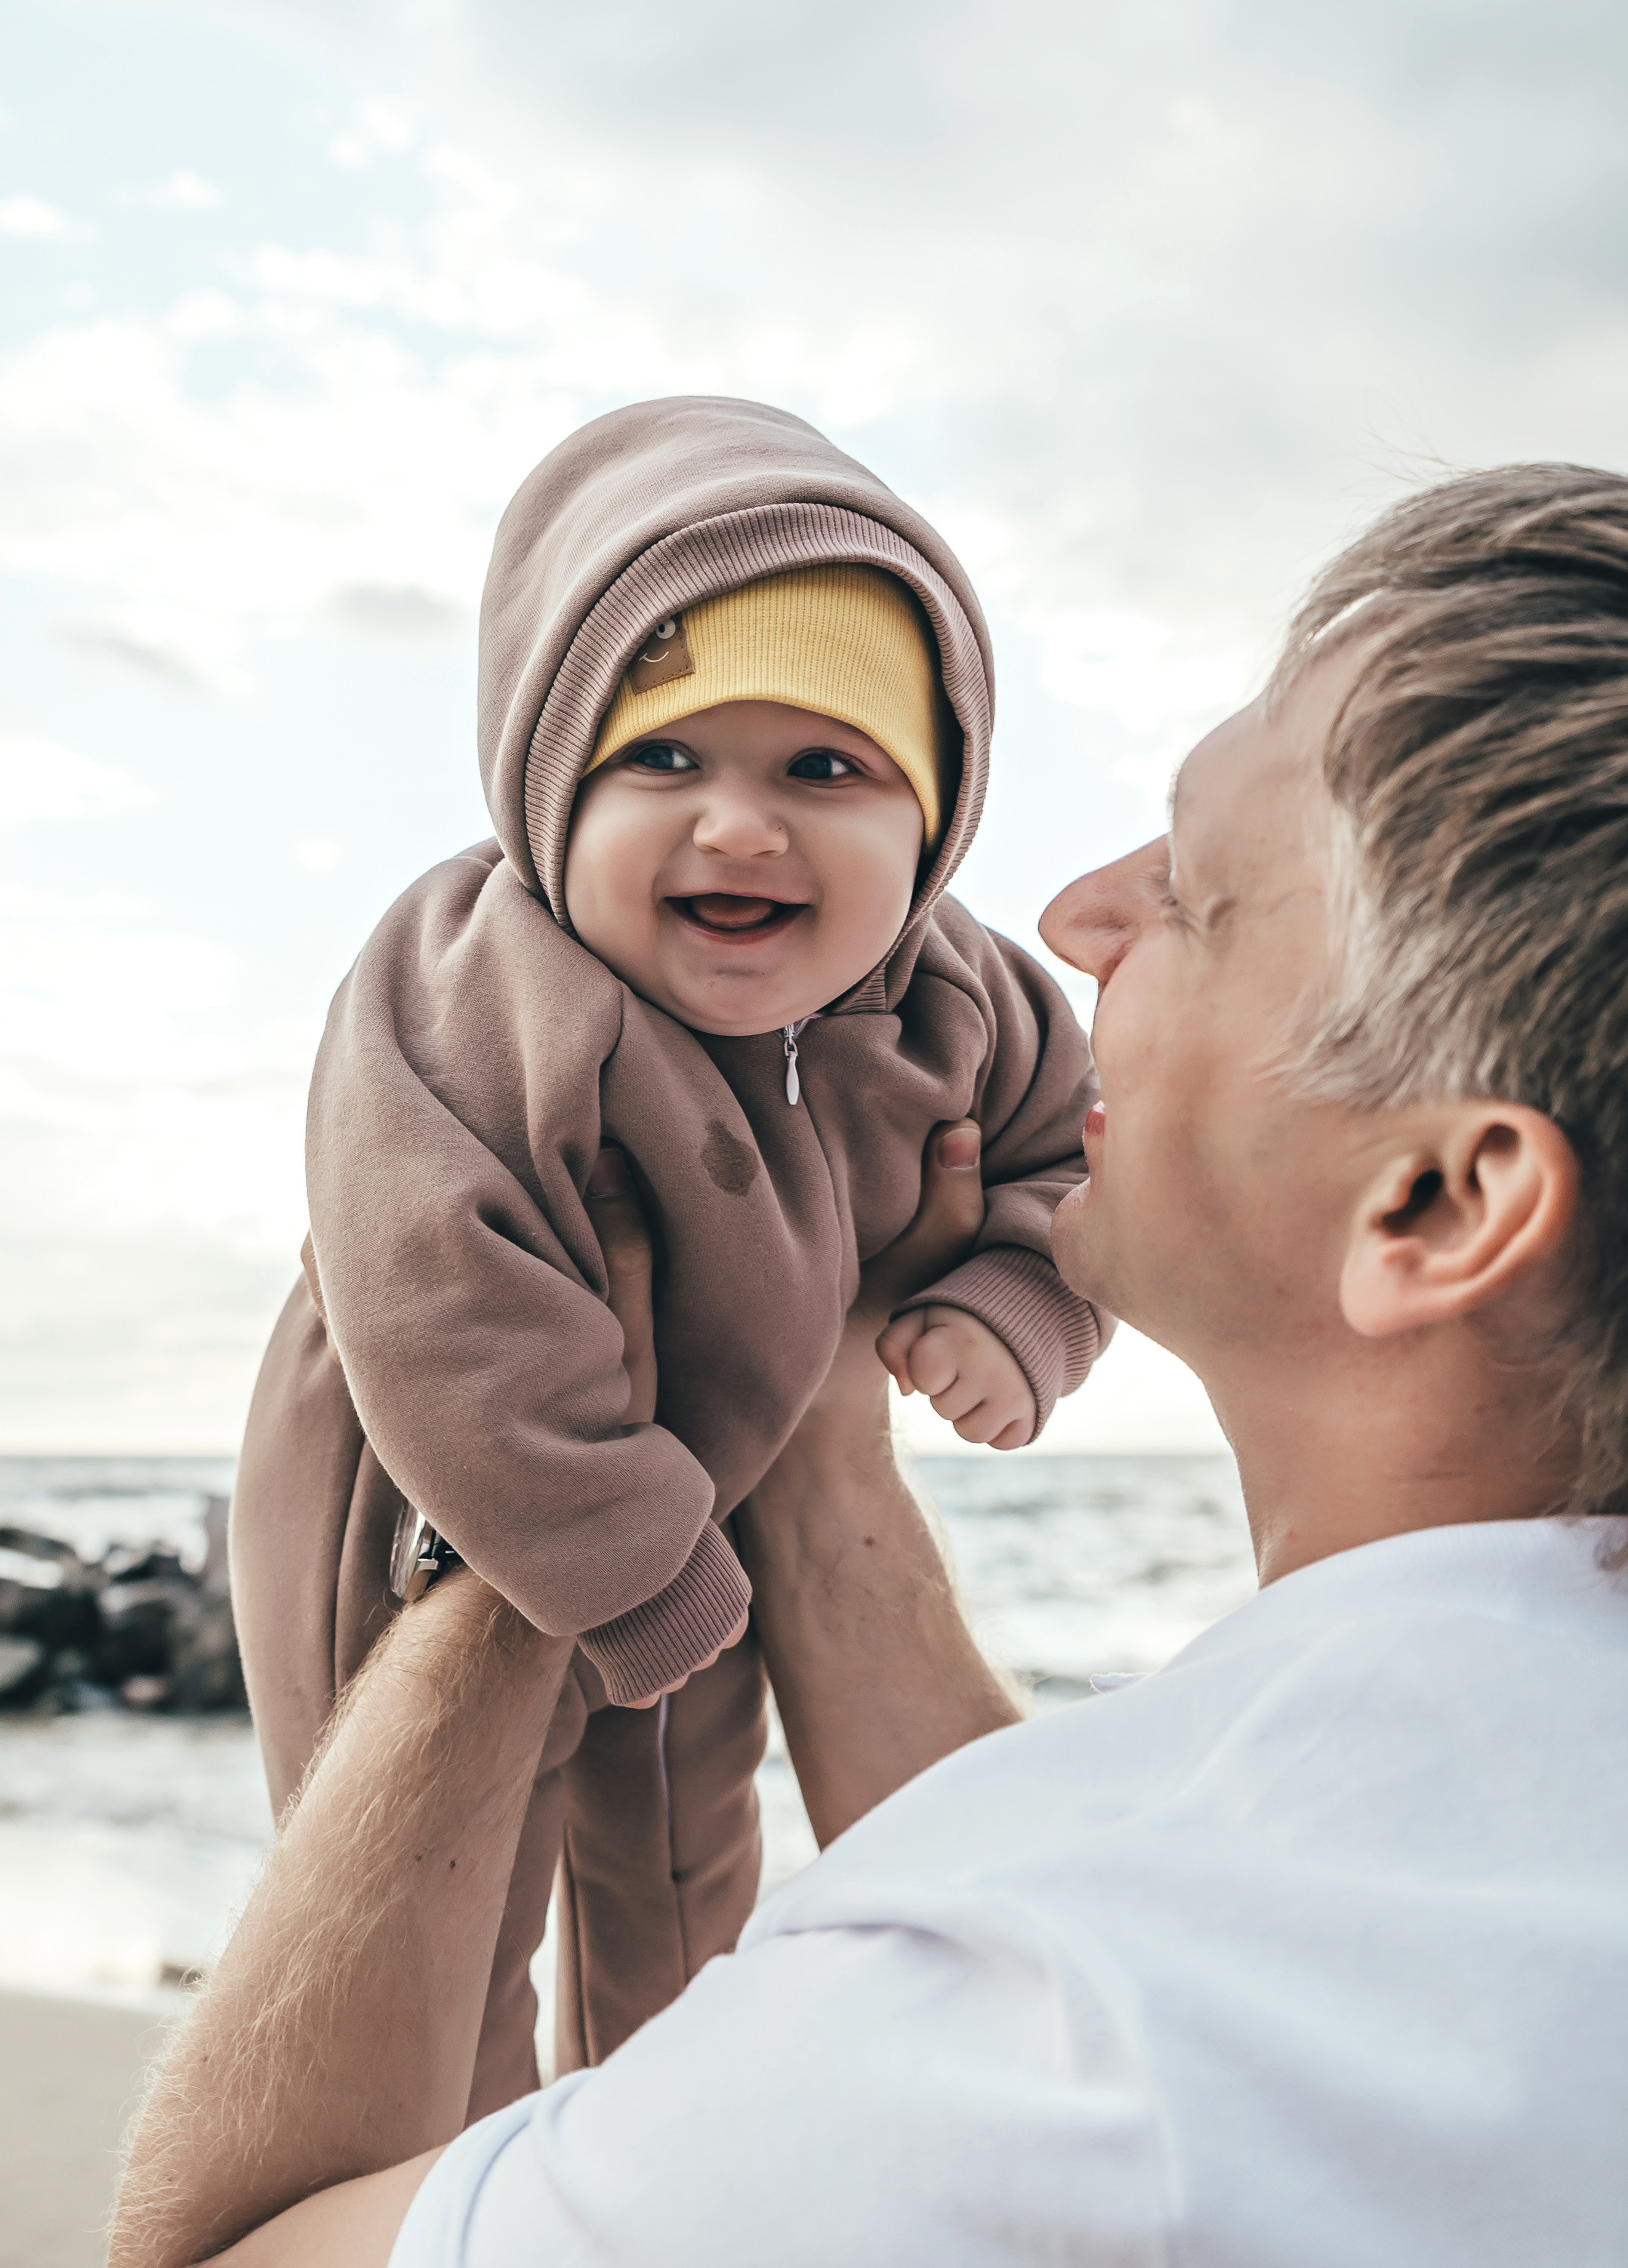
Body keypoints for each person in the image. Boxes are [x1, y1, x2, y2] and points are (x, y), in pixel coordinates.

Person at [113, 460, 1628, 2268]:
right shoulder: (1366, 1869)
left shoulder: (1048, 2060)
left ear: (1439, 1201)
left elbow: (224, 2253)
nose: (1070, 912)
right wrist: (821, 1432)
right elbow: (1063, 1882)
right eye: (661, 758)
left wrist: (500, 1557)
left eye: (1194, 896)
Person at [227, 394, 1104, 2102]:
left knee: (687, 1860)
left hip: (716, 1477)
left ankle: (649, 2139)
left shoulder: (960, 997)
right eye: (662, 760)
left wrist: (1006, 1307)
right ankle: (451, 2155)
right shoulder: (474, 979)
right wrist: (615, 1548)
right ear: (550, 779)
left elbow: (1061, 1162)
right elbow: (428, 1277)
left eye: (824, 771)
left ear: (935, 817)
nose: (738, 827)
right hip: (425, 1486)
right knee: (424, 1905)